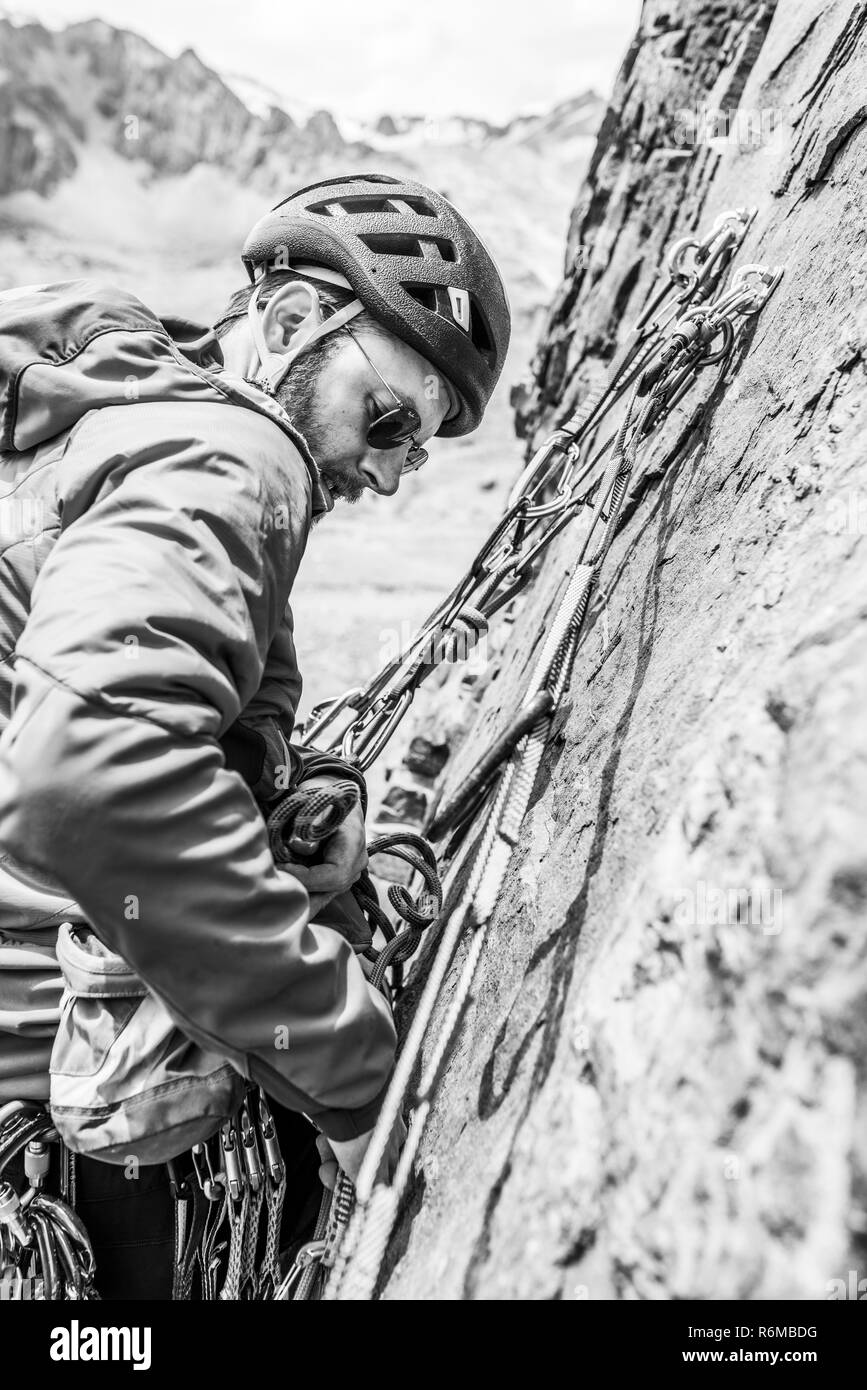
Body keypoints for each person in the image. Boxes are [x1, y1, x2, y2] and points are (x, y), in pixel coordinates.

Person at [0, 172, 510, 1297]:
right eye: (389, 419)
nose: (388, 470)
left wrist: (272, 797)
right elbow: (89, 778)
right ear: (286, 326)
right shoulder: (235, 458)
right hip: (75, 1130)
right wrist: (353, 1076)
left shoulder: (117, 417)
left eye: (416, 449)